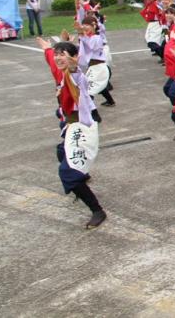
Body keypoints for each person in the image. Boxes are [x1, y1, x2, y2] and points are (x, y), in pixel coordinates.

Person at [37, 38, 107, 229]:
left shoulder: (76, 76)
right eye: (56, 54)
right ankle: (82, 178)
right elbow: (54, 63)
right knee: (61, 152)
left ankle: (97, 211)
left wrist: (75, 68)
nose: (58, 57)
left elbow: (77, 78)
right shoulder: (61, 73)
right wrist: (48, 50)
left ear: (75, 57)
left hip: (82, 128)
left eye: (62, 54)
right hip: (71, 126)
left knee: (68, 174)